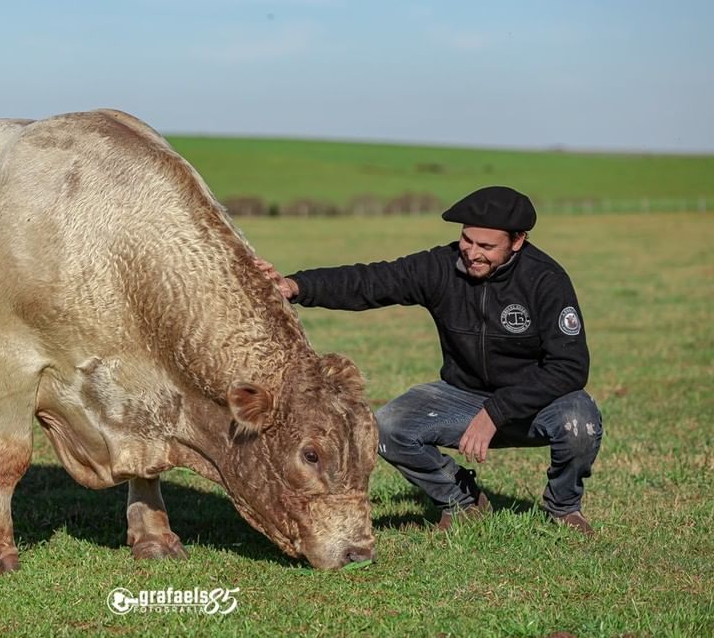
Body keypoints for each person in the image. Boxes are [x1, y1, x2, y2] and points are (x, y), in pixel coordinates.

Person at [255, 186, 602, 533]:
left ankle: (563, 507)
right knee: (388, 427)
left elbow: (569, 366)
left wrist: (497, 411)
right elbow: (372, 281)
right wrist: (296, 286)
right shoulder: (440, 267)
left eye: (486, 246)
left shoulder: (546, 279)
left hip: (532, 402)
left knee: (580, 422)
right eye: (467, 240)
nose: (471, 253)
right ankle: (461, 500)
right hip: (462, 395)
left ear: (517, 241)